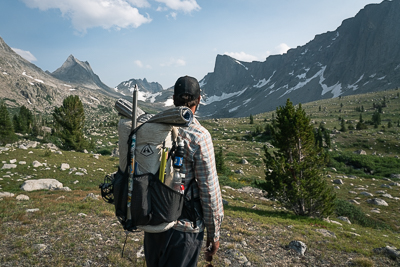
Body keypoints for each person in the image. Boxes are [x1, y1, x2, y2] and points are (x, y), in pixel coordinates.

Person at [143, 76, 224, 267]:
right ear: (199, 99)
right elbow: (209, 190)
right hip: (184, 229)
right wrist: (214, 234)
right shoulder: (199, 136)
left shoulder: (156, 128)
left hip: (154, 222)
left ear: (173, 98)